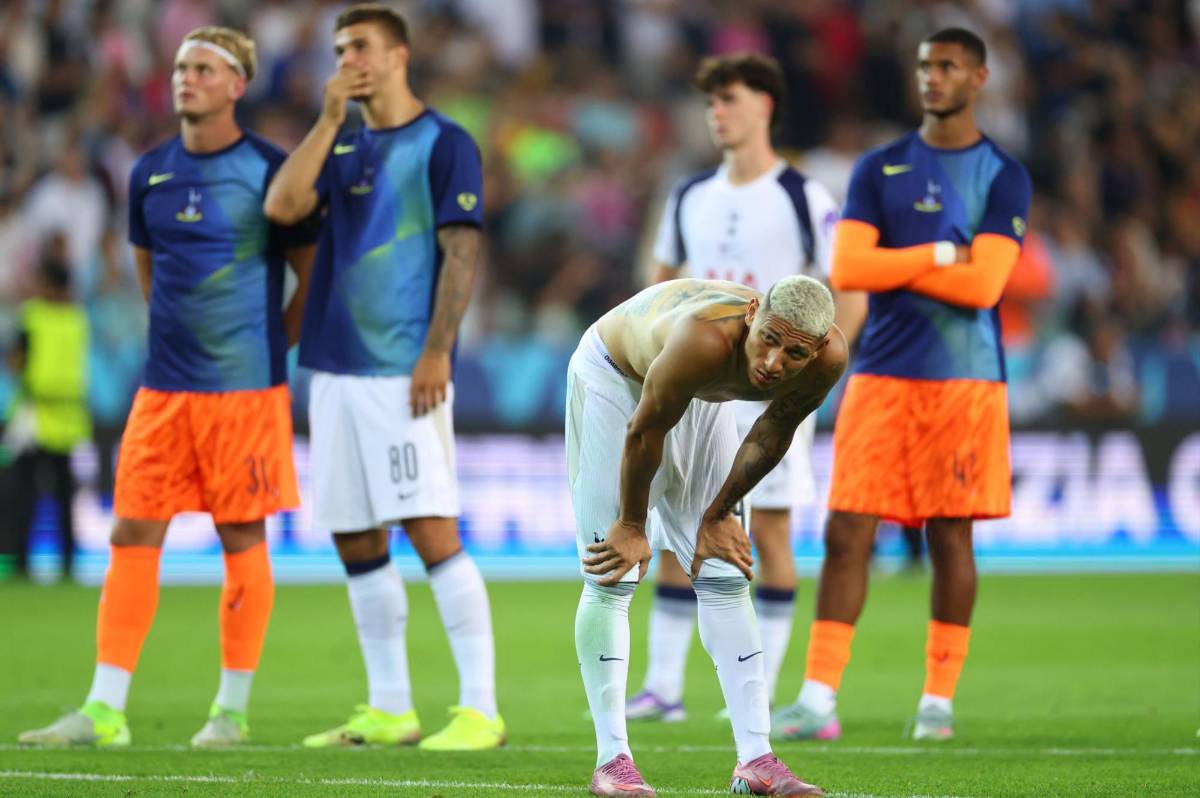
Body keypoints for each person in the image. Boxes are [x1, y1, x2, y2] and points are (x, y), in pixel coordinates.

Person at [18, 25, 316, 748]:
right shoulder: (148, 172)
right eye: (182, 67)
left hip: (245, 391)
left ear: (237, 84)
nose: (187, 78)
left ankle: (230, 713)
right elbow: (152, 278)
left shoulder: (273, 172)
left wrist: (272, 344)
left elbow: (308, 270)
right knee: (130, 530)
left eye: (205, 69)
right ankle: (103, 710)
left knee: (240, 534)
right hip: (163, 389)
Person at [770, 28, 1032, 742]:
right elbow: (852, 270)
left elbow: (984, 287)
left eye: (947, 66)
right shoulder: (880, 167)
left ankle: (937, 702)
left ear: (977, 77)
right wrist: (945, 251)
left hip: (965, 382)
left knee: (952, 536)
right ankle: (819, 699)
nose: (932, 77)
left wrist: (903, 260)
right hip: (882, 376)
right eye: (925, 67)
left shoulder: (1002, 173)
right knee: (847, 529)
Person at [263, 4, 502, 751]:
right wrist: (327, 118)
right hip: (332, 368)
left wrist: (437, 351)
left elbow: (461, 253)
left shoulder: (445, 142)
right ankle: (391, 706)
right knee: (355, 538)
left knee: (431, 531)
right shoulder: (338, 144)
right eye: (338, 50)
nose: (347, 60)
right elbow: (281, 207)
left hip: (404, 371)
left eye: (359, 46)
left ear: (398, 55)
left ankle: (479, 709)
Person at [629, 53, 862, 722]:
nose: (716, 114)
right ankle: (665, 688)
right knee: (676, 527)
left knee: (775, 533)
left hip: (776, 392)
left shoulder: (802, 196)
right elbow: (659, 286)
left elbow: (848, 293)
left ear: (764, 104)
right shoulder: (687, 194)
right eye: (710, 103)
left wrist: (811, 381)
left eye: (728, 99)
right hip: (702, 385)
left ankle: (755, 696)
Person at [570, 275, 845, 797]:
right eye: (769, 339)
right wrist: (631, 525)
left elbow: (773, 430)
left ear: (819, 347)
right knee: (612, 569)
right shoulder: (703, 339)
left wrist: (718, 515)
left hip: (698, 393)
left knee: (724, 569)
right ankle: (613, 762)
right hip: (613, 377)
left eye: (794, 353)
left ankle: (757, 760)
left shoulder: (828, 358)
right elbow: (645, 429)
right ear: (751, 313)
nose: (772, 364)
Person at [4, 245, 89, 580]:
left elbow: (15, 361)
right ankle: (68, 564)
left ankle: (21, 563)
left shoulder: (31, 316)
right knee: (65, 498)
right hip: (67, 418)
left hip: (36, 417)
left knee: (24, 496)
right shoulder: (77, 320)